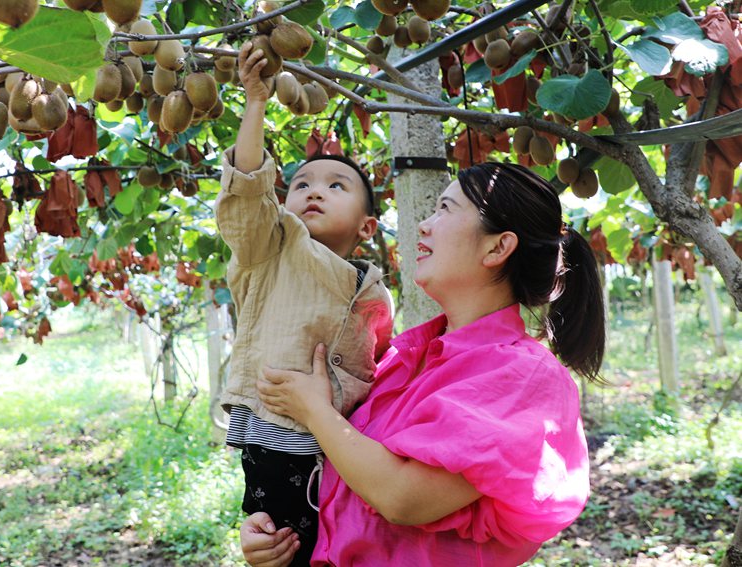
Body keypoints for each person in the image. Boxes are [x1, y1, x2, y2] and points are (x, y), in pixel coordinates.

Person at [242, 161, 606, 566]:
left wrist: (314, 410)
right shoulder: (405, 355)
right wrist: (278, 534)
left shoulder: (523, 377)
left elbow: (402, 498)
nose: (424, 225)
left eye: (445, 209)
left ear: (497, 247)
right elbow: (346, 473)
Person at [215, 42, 394, 566]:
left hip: (342, 448)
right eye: (300, 184)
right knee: (285, 550)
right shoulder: (269, 247)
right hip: (277, 437)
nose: (314, 191)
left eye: (336, 185)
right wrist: (256, 104)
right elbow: (248, 192)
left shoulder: (374, 288)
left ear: (366, 227)